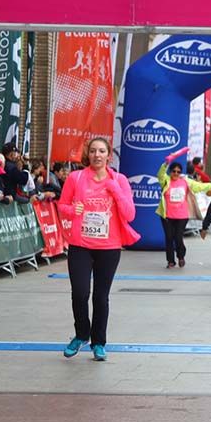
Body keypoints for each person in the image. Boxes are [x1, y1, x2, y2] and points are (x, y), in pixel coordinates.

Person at [57, 137, 139, 362]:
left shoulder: (119, 180)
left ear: (108, 155)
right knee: (80, 293)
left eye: (102, 151)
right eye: (93, 151)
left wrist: (115, 190)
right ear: (88, 154)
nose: (97, 155)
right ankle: (81, 334)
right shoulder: (76, 177)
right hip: (80, 245)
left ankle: (99, 342)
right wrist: (73, 210)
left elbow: (130, 214)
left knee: (101, 297)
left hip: (109, 247)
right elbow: (62, 207)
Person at [157, 146, 211, 268]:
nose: (176, 174)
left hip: (182, 215)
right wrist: (167, 162)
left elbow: (199, 186)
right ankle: (170, 261)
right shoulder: (166, 181)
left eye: (178, 171)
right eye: (174, 171)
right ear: (170, 172)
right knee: (169, 238)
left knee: (178, 237)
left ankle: (181, 256)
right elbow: (160, 174)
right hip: (167, 215)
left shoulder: (186, 181)